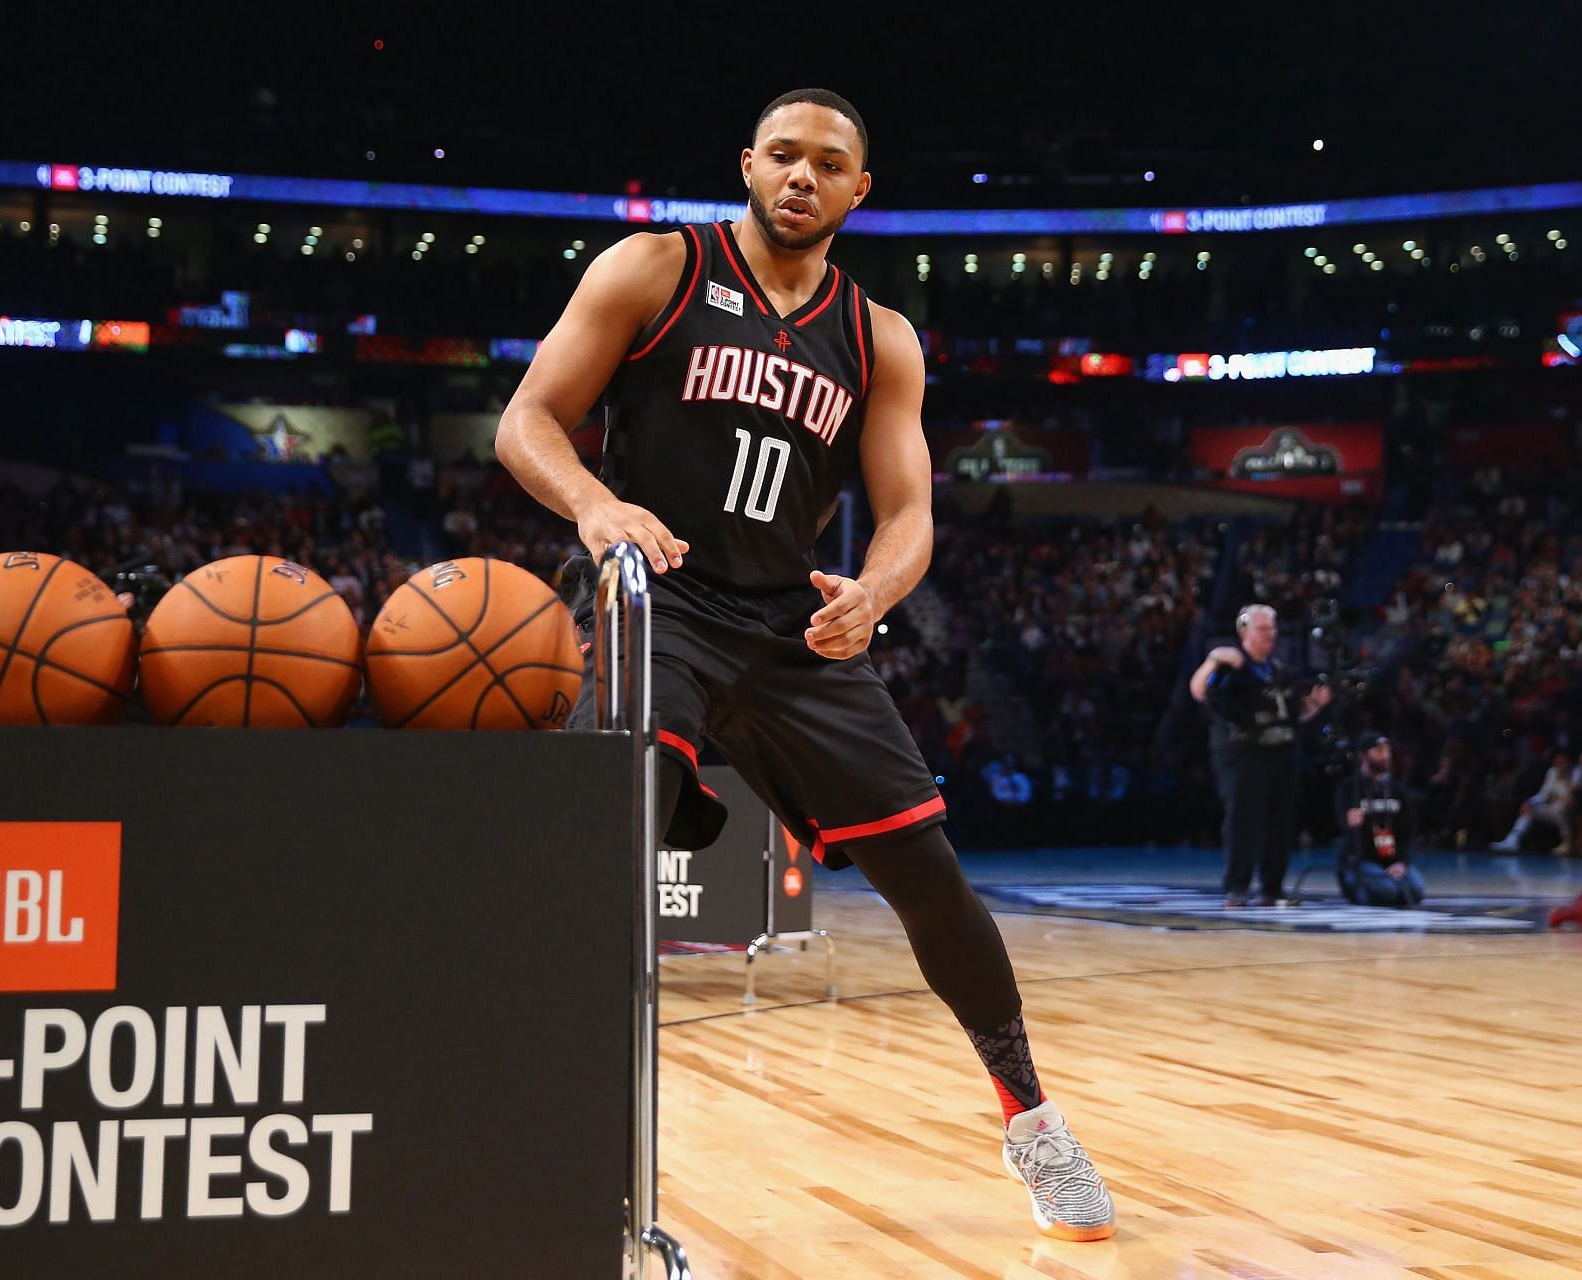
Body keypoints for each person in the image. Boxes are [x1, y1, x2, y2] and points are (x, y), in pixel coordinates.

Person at [495, 87, 1114, 1242]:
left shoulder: (878, 337)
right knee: (608, 828)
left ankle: (1034, 1119)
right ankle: (534, 1109)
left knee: (931, 874)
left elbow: (910, 508)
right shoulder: (654, 270)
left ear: (858, 190)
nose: (801, 176)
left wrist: (875, 593)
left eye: (828, 163)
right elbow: (527, 419)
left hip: (792, 628)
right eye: (782, 154)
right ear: (746, 162)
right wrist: (596, 503)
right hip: (660, 594)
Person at [1189, 603, 1332, 907]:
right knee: (1244, 820)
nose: (1271, 634)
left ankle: (1272, 887)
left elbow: (1294, 715)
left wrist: (1315, 705)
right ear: (1245, 631)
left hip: (1282, 752)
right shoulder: (1232, 664)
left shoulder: (1279, 670)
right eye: (1263, 628)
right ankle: (1237, 886)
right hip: (1245, 753)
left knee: (1280, 822)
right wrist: (1212, 660)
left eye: (1273, 628)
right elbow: (1199, 691)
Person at [1334, 731, 1425, 907]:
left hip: (1391, 859)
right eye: (1378, 751)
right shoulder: (1349, 788)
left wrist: (1402, 862)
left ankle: (1386, 882)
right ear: (1363, 756)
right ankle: (1356, 883)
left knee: (1416, 891)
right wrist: (1348, 822)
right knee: (1387, 891)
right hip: (1363, 860)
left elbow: (1409, 832)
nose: (1385, 756)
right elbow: (1340, 823)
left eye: (1387, 751)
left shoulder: (1399, 791)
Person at [1489, 750, 1575, 854]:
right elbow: (1543, 794)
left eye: (1563, 762)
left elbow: (1571, 798)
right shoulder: (1552, 772)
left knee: (1560, 807)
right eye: (1558, 762)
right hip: (1552, 809)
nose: (1560, 765)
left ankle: (1567, 842)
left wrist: (1564, 798)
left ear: (1568, 763)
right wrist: (1529, 802)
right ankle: (1513, 840)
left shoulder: (1575, 774)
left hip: (1569, 810)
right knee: (1529, 809)